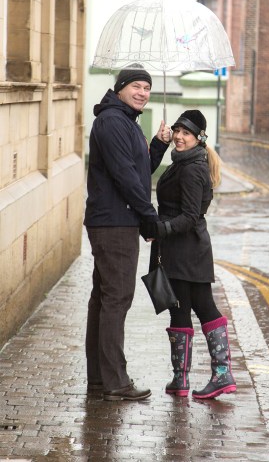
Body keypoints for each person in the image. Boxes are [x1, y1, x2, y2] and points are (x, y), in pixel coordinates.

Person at [84, 66, 171, 401]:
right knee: (117, 299)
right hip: (114, 223)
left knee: (104, 299)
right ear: (120, 87)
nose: (143, 93)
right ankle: (116, 382)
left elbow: (139, 171)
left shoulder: (127, 122)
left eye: (147, 88)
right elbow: (126, 177)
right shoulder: (111, 122)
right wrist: (150, 218)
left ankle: (100, 379)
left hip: (117, 221)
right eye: (136, 86)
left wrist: (158, 146)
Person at [140, 110, 237, 400]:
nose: (179, 137)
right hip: (180, 249)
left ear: (199, 138)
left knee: (202, 307)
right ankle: (181, 379)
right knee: (181, 309)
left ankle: (220, 374)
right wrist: (159, 143)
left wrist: (161, 228)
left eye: (186, 133)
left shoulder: (192, 168)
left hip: (187, 249)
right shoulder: (182, 162)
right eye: (177, 131)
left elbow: (191, 216)